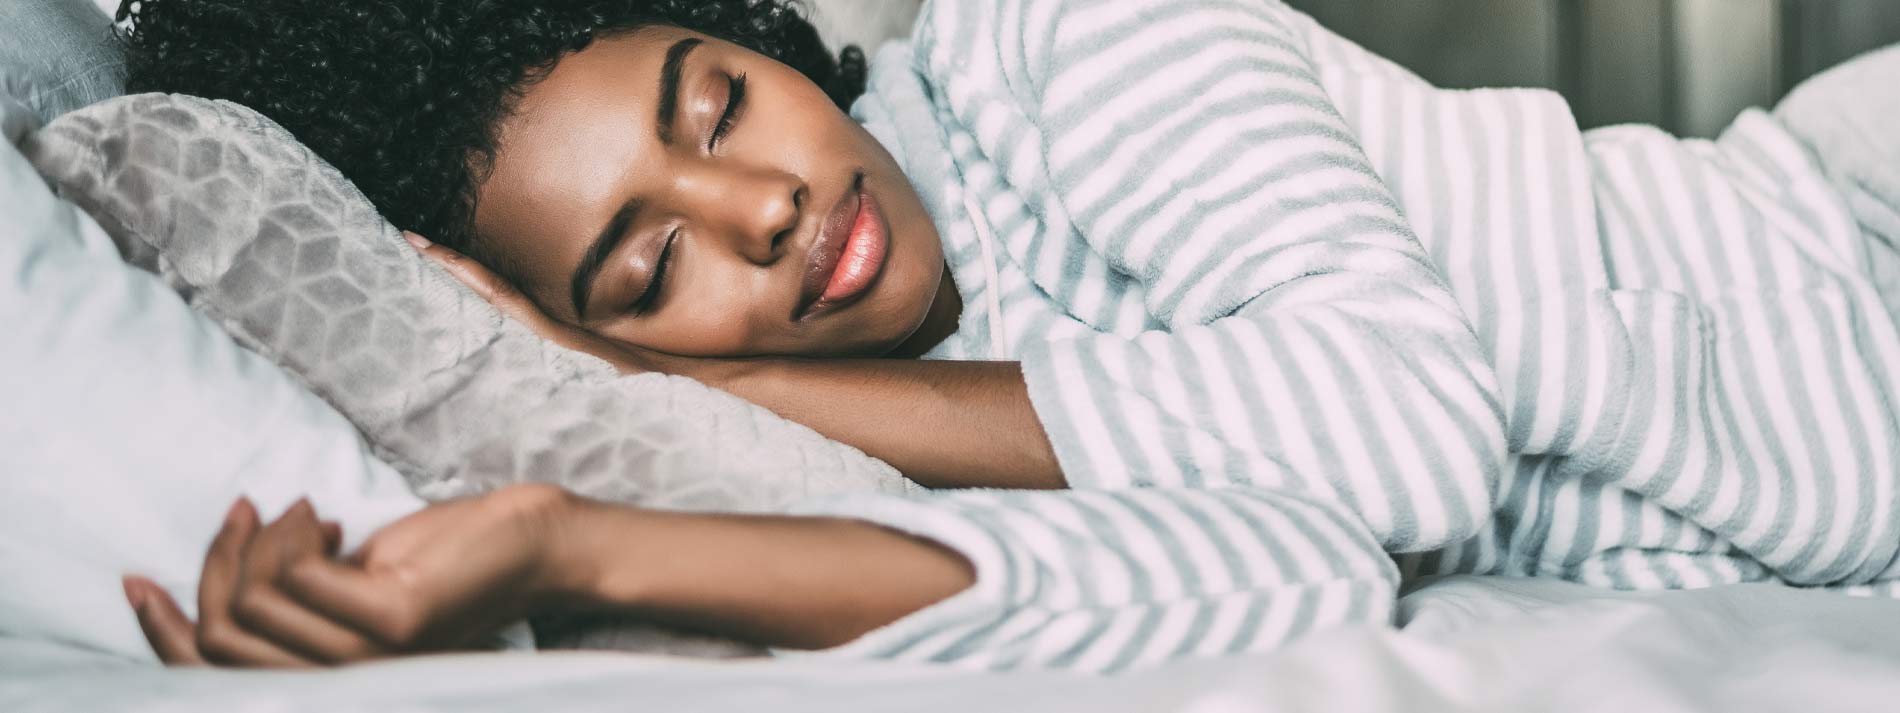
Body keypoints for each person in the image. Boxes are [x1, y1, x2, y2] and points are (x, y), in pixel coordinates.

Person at [114, 0, 1900, 673]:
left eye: (715, 105)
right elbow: (1285, 573)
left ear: (758, 29)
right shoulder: (883, 421)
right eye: (647, 270)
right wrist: (577, 530)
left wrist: (658, 364)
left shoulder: (1070, 36)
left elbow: (1407, 429)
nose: (764, 217)